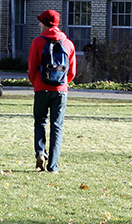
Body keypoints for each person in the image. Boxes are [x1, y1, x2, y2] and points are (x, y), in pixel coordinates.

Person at [27, 9, 77, 173]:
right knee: (57, 127)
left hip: (41, 88)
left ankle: (41, 152)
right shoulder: (68, 43)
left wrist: (37, 83)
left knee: (40, 122)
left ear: (45, 23)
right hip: (60, 90)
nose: (39, 24)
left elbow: (32, 69)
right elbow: (72, 72)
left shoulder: (37, 42)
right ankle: (53, 165)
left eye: (40, 22)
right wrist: (63, 83)